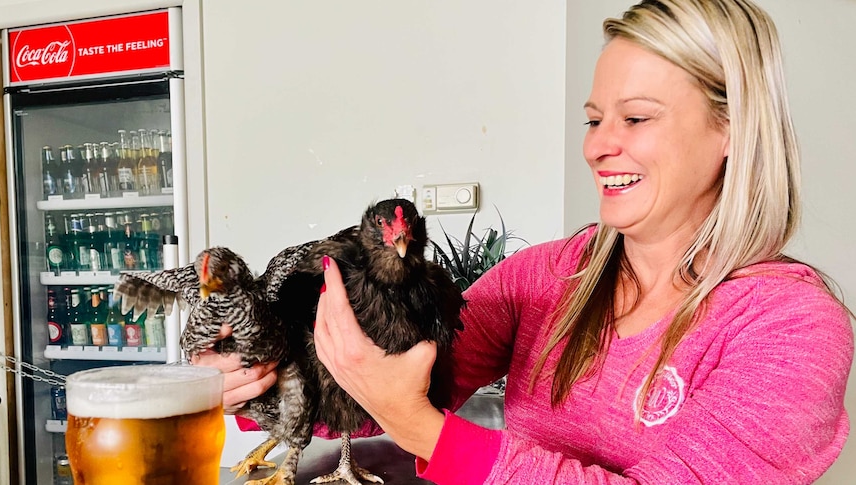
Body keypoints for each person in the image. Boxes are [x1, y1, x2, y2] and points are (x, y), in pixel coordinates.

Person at [198, 0, 855, 483]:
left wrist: (424, 431)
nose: (598, 146)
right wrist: (264, 382)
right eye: (595, 119)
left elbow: (411, 412)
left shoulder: (792, 328)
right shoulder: (542, 279)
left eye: (635, 118)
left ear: (732, 130)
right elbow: (390, 386)